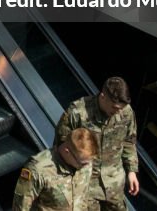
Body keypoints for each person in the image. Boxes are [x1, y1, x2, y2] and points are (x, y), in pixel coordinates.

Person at [54, 77, 139, 211]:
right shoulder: (78, 112)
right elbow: (62, 149)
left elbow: (129, 141)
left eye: (121, 109)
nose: (118, 112)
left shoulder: (126, 113)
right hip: (86, 187)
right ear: (103, 96)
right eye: (115, 107)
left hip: (114, 184)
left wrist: (132, 171)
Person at [13, 128, 99, 211]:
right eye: (82, 163)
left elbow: (86, 196)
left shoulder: (85, 162)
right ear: (67, 152)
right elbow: (21, 206)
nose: (87, 166)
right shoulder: (38, 170)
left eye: (90, 161)